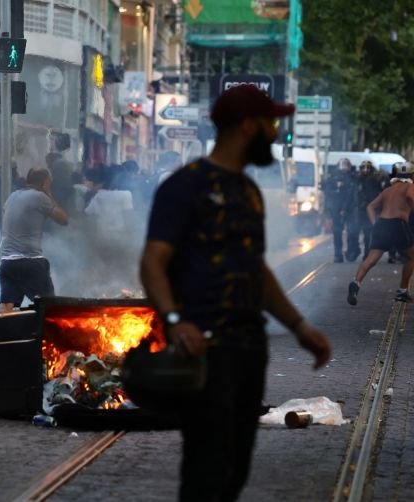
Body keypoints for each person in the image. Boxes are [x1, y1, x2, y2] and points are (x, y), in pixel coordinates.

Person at [140, 84, 330, 502]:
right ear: (249, 126)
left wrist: (299, 326)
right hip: (206, 350)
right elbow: (152, 262)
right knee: (207, 467)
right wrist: (174, 320)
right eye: (270, 123)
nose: (276, 133)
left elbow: (257, 271)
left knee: (236, 467)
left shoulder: (249, 193)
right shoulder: (184, 187)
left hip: (249, 347)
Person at [0, 167, 69, 312]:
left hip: (7, 262)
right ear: (46, 183)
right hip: (30, 261)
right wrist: (49, 195)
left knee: (7, 305)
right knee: (50, 307)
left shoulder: (13, 196)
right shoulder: (40, 197)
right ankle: (51, 334)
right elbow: (64, 219)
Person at [348, 165, 414, 305]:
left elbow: (370, 207)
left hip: (382, 224)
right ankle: (402, 291)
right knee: (412, 256)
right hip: (398, 224)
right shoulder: (409, 187)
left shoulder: (388, 190)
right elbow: (410, 197)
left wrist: (374, 224)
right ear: (411, 175)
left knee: (371, 259)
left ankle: (356, 283)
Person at [324, 158, 360, 262]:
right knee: (337, 232)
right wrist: (330, 209)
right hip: (337, 209)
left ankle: (351, 252)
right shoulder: (333, 178)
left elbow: (354, 194)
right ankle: (338, 254)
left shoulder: (353, 177)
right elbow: (328, 193)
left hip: (350, 209)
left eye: (346, 165)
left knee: (352, 232)